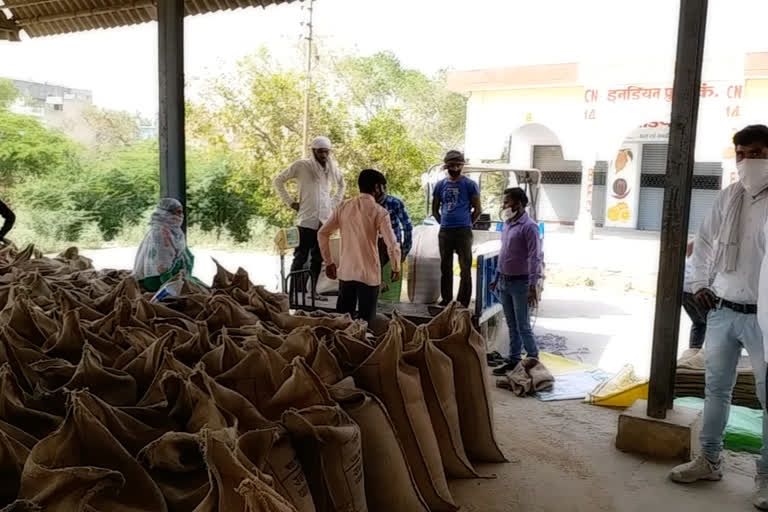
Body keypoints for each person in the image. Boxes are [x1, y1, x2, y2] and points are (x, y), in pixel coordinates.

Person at [669, 124, 768, 510]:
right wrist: (699, 283)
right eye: (742, 154)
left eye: (757, 153)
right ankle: (709, 460)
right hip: (725, 310)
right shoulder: (729, 197)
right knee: (716, 390)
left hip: (764, 317)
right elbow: (706, 241)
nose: (748, 161)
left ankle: (765, 478)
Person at [318, 168, 401, 327]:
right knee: (366, 323)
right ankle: (362, 348)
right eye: (383, 187)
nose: (383, 191)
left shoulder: (343, 207)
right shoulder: (380, 212)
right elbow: (392, 245)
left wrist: (329, 262)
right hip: (369, 275)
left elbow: (323, 233)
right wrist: (396, 267)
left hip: (346, 273)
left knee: (343, 321)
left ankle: (341, 347)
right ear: (376, 187)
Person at [274, 136, 346, 296]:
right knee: (300, 257)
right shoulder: (301, 165)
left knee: (318, 259)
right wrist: (290, 202)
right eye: (320, 152)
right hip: (306, 219)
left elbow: (342, 184)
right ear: (313, 151)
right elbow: (278, 181)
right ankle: (291, 293)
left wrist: (334, 202)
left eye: (326, 152)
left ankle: (312, 293)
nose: (324, 155)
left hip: (324, 221)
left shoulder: (332, 168)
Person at [488, 188, 541, 376]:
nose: (504, 206)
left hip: (521, 283)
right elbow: (504, 254)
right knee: (511, 324)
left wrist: (533, 286)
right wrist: (496, 278)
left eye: (506, 202)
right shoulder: (508, 224)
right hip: (504, 281)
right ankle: (514, 359)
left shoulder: (529, 227)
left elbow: (534, 257)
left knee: (523, 325)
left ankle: (533, 360)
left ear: (518, 204)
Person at [432, 150, 482, 308]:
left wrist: (467, 223)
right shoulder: (440, 185)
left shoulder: (469, 185)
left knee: (465, 267)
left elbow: (478, 209)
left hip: (463, 231)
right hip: (445, 232)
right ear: (447, 167)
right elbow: (435, 209)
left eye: (457, 165)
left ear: (462, 166)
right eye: (451, 165)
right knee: (445, 267)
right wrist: (444, 222)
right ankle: (446, 299)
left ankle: (462, 302)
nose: (454, 168)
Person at [133, 197, 194, 292]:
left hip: (172, 275)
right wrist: (173, 288)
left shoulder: (174, 231)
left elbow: (185, 254)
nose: (181, 216)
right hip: (158, 280)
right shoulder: (161, 233)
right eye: (177, 212)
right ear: (166, 213)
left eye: (181, 212)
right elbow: (163, 266)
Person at [378, 182, 412, 302]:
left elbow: (407, 226)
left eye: (381, 189)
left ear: (385, 188)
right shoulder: (367, 205)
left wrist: (404, 251)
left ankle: (391, 308)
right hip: (373, 248)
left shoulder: (394, 203)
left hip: (394, 248)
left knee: (392, 286)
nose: (378, 193)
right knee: (375, 286)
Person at [680, 239, 707, 362]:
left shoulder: (702, 237)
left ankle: (692, 355)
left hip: (684, 288)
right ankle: (708, 359)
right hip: (697, 289)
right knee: (715, 325)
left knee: (699, 323)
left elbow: (689, 246)